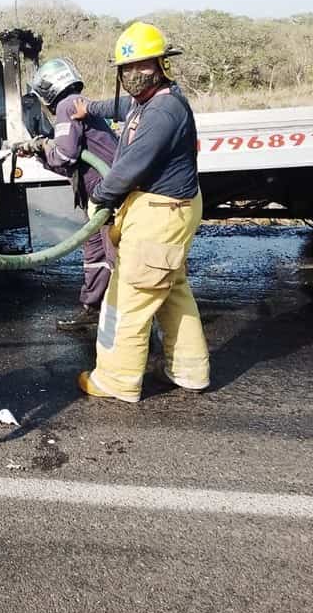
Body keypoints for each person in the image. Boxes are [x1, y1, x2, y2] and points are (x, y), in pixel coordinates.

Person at [71, 22, 209, 403]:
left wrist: (101, 197)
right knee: (171, 290)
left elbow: (130, 166)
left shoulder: (162, 112)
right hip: (171, 209)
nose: (133, 75)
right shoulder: (149, 100)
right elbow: (119, 106)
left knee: (128, 297)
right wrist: (88, 109)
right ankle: (190, 370)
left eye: (142, 66)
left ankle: (115, 381)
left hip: (160, 213)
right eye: (127, 69)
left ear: (160, 65)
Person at [20, 57, 118, 330]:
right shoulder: (77, 102)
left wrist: (42, 147)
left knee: (115, 256)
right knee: (95, 250)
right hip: (99, 195)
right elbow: (70, 162)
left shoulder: (66, 106)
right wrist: (40, 153)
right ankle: (93, 307)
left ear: (47, 90)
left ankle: (128, 324)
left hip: (110, 195)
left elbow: (64, 155)